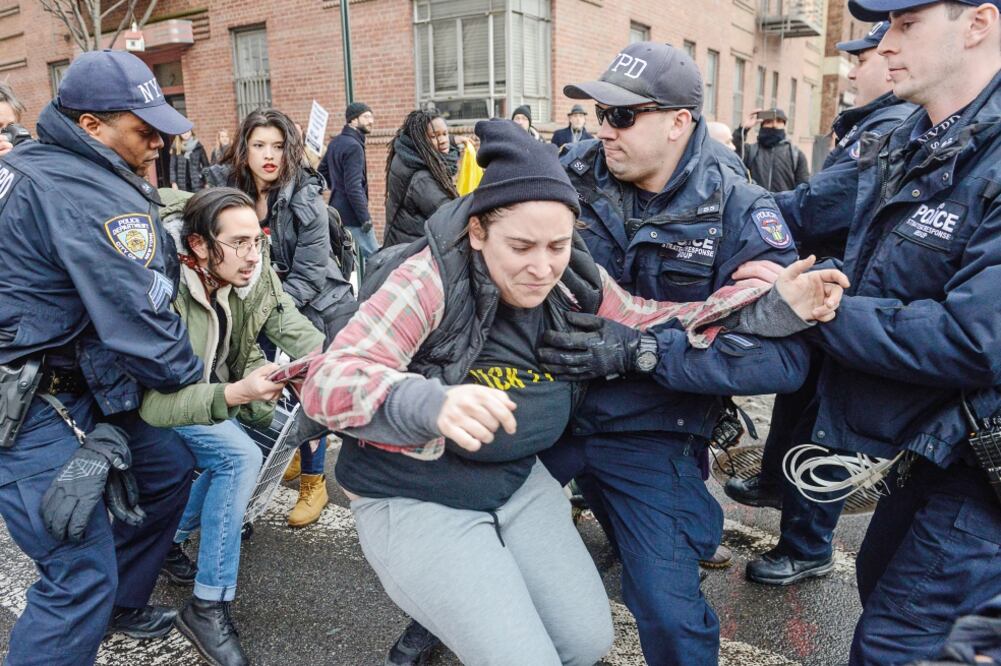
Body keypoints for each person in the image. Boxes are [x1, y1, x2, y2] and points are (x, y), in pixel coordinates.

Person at [300, 119, 846, 666]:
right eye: (521, 246)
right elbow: (329, 380)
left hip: (514, 480)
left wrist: (774, 304)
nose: (541, 268)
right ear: (477, 232)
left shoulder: (571, 276)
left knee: (586, 641)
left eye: (556, 245)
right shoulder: (429, 278)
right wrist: (430, 402)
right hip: (416, 493)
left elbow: (653, 316)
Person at [537, 41, 820, 666]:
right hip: (547, 408)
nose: (604, 130)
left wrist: (643, 353)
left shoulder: (738, 208)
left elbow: (783, 360)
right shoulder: (568, 174)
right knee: (470, 523)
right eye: (600, 113)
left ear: (677, 122)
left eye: (621, 115)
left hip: (651, 430)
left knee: (666, 609)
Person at [782, 0, 1001, 662]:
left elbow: (975, 337)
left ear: (978, 25)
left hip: (981, 463)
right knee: (882, 591)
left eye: (907, 25)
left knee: (893, 643)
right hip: (928, 445)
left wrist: (820, 311)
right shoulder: (915, 140)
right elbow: (879, 276)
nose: (883, 46)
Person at [0, 50, 205, 665]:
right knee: (77, 574)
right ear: (91, 125)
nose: (159, 144)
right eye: (144, 131)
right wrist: (201, 388)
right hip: (28, 405)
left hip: (82, 377)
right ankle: (96, 599)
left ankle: (118, 601)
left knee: (167, 469)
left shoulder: (40, 165)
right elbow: (142, 321)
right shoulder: (82, 192)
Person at [725, 20, 916, 587]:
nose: (855, 71)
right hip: (826, 284)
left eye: (864, 58)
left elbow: (815, 205)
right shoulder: (873, 123)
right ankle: (775, 483)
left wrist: (746, 209)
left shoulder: (890, 126)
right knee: (798, 397)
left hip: (843, 293)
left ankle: (808, 546)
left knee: (824, 425)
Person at [141, 186, 324, 666]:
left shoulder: (250, 274)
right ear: (199, 245)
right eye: (239, 243)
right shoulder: (164, 284)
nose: (253, 255)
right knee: (239, 455)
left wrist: (340, 365)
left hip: (214, 392)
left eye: (258, 240)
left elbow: (291, 326)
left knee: (246, 448)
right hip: (161, 403)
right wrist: (238, 393)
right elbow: (153, 401)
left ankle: (168, 540)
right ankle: (209, 604)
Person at [204, 107, 355, 526]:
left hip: (307, 305)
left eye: (277, 146)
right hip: (248, 303)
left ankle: (313, 481)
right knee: (257, 387)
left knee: (304, 392)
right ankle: (282, 453)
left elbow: (309, 275)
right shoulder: (227, 192)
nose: (269, 155)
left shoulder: (306, 198)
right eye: (259, 145)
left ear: (290, 150)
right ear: (244, 149)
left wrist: (261, 312)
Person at [382, 109, 459, 248]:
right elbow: (451, 217)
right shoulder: (422, 178)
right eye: (434, 136)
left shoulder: (406, 153)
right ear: (419, 140)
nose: (443, 141)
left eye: (445, 134)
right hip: (412, 250)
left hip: (398, 241)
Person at [320, 101, 378, 258]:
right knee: (377, 258)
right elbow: (353, 186)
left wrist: (337, 188)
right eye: (366, 117)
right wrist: (365, 218)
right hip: (353, 214)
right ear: (353, 120)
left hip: (336, 211)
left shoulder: (335, 142)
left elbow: (322, 173)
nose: (371, 121)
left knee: (341, 260)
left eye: (371, 117)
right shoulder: (354, 146)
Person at [733, 107, 810, 191]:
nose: (774, 125)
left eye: (779, 121)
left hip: (784, 200)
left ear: (784, 125)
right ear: (762, 125)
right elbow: (731, 154)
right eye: (769, 121)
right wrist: (743, 129)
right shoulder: (750, 151)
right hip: (756, 199)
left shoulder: (796, 155)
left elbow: (803, 189)